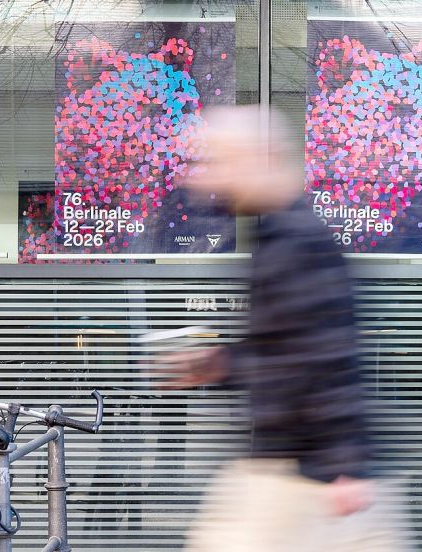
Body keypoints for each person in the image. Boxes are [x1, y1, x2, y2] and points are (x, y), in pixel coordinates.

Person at [160, 106, 404, 552]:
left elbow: (329, 354)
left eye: (223, 162)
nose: (213, 177)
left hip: (303, 474)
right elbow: (282, 351)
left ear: (260, 159)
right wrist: (221, 363)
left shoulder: (295, 241)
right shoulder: (277, 236)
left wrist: (342, 465)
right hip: (287, 465)